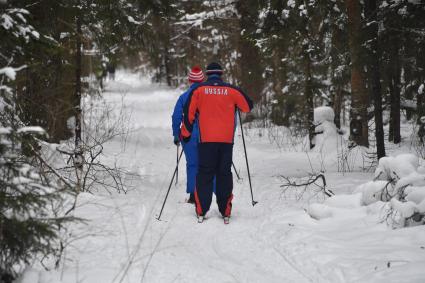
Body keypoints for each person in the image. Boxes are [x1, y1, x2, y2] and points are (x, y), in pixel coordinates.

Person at [181, 62, 253, 223]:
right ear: (221, 74)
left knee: (205, 173)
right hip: (226, 141)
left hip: (206, 140)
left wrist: (185, 134)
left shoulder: (199, 91)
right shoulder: (232, 90)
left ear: (207, 74)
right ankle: (225, 210)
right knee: (223, 173)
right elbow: (248, 106)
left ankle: (202, 210)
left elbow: (189, 114)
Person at [172, 66, 205, 203]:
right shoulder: (207, 96)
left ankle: (193, 196)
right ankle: (207, 193)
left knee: (192, 164)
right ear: (202, 80)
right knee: (207, 164)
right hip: (207, 135)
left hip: (188, 135)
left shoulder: (184, 97)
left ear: (190, 81)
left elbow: (176, 117)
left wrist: (176, 134)